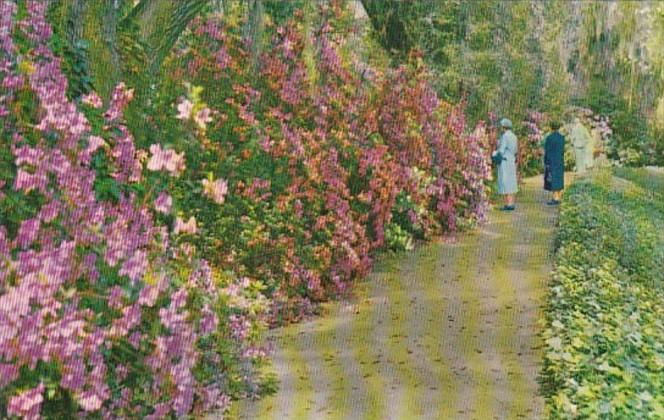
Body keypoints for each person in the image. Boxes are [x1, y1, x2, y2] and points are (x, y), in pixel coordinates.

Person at [493, 118, 518, 211]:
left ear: (504, 127)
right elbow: (515, 150)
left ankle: (508, 203)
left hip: (504, 161)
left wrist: (495, 153)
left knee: (505, 181)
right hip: (511, 160)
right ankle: (512, 202)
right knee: (512, 181)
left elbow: (502, 149)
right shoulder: (514, 136)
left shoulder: (504, 136)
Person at [543, 120, 565, 205]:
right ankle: (558, 196)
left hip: (552, 160)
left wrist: (546, 161)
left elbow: (547, 151)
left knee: (553, 178)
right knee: (559, 177)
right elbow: (562, 150)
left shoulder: (549, 138)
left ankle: (555, 198)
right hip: (559, 159)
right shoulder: (562, 137)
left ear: (551, 127)